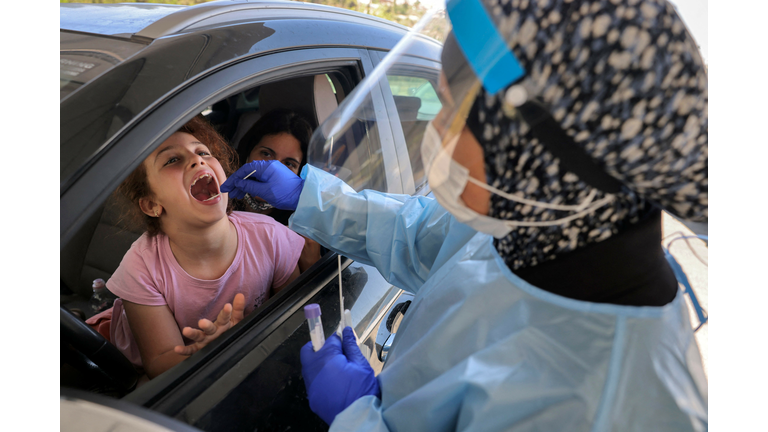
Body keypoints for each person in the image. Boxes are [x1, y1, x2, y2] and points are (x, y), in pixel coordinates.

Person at [222, 0, 708, 430]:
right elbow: (415, 235)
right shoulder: (535, 227)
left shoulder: (614, 406)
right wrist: (308, 194)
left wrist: (360, 420)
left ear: (529, 149)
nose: (435, 131)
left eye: (452, 114)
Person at [106, 115, 304, 379]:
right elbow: (158, 362)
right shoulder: (141, 265)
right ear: (152, 204)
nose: (198, 159)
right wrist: (204, 352)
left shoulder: (272, 238)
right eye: (172, 160)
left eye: (203, 152)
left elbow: (294, 317)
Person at [235, 109, 323, 272]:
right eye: (266, 154)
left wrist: (311, 264)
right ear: (248, 153)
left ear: (300, 174)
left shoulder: (304, 228)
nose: (273, 171)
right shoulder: (218, 200)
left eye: (289, 164)